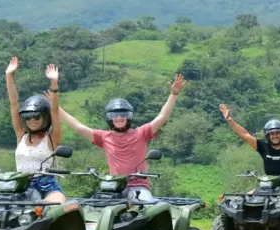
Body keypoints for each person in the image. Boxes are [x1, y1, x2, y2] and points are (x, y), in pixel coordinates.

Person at [61, 74, 187, 203]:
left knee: (145, 207)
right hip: (114, 186)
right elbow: (78, 127)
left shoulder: (141, 133)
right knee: (93, 208)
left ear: (129, 116)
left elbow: (162, 118)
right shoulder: (104, 137)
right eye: (114, 114)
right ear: (110, 118)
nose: (119, 118)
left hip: (138, 186)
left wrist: (174, 94)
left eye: (123, 114)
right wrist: (56, 108)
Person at [5, 57, 66, 202]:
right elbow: (14, 104)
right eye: (28, 117)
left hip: (46, 185)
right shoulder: (22, 135)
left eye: (37, 117)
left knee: (55, 204)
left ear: (45, 117)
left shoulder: (51, 139)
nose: (32, 121)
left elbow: (55, 110)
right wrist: (9, 75)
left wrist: (54, 83)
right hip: (20, 185)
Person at [218, 105, 280, 195]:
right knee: (248, 195)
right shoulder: (263, 147)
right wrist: (229, 120)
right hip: (267, 186)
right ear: (268, 135)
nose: (275, 136)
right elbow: (245, 135)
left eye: (277, 133)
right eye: (272, 134)